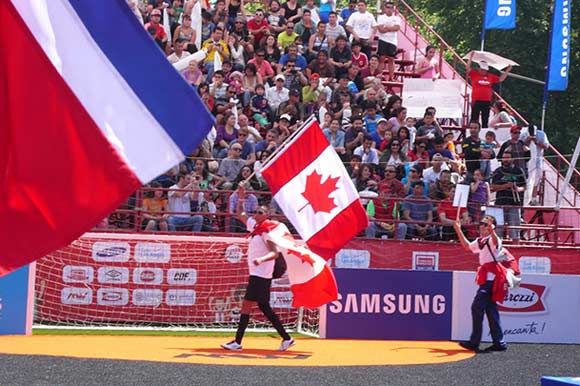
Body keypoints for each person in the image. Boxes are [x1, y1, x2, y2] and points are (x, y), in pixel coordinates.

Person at [221, 183, 296, 352]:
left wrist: (261, 259)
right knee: (264, 308)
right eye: (255, 211)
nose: (256, 214)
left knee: (247, 306)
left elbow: (275, 253)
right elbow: (239, 213)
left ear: (267, 215)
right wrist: (241, 195)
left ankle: (238, 342)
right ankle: (287, 338)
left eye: (260, 212)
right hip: (258, 274)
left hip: (261, 275)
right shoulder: (255, 227)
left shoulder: (266, 231)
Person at [454, 215, 520, 352]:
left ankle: (474, 341)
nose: (481, 226)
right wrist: (458, 230)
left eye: (485, 224)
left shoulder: (491, 240)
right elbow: (467, 246)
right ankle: (499, 343)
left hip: (491, 281)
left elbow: (496, 241)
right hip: (490, 280)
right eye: (481, 223)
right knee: (491, 311)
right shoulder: (481, 241)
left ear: (492, 226)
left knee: (476, 307)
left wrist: (492, 231)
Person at [466, 52, 512, 128]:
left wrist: (508, 70)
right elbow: (468, 68)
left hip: (486, 101)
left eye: (485, 70)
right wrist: (471, 57)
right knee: (474, 118)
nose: (484, 71)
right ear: (479, 69)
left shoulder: (490, 76)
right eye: (482, 69)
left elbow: (501, 79)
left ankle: (484, 131)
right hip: (476, 100)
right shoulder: (475, 74)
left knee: (485, 118)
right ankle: (472, 131)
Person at [375, 1, 400, 81]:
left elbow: (397, 28)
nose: (389, 9)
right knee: (381, 58)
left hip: (392, 41)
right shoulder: (381, 18)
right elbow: (381, 30)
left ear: (393, 9)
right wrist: (391, 28)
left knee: (391, 59)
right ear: (385, 8)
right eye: (388, 7)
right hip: (382, 39)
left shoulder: (397, 18)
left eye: (391, 7)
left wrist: (386, 27)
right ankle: (379, 76)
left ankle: (391, 77)